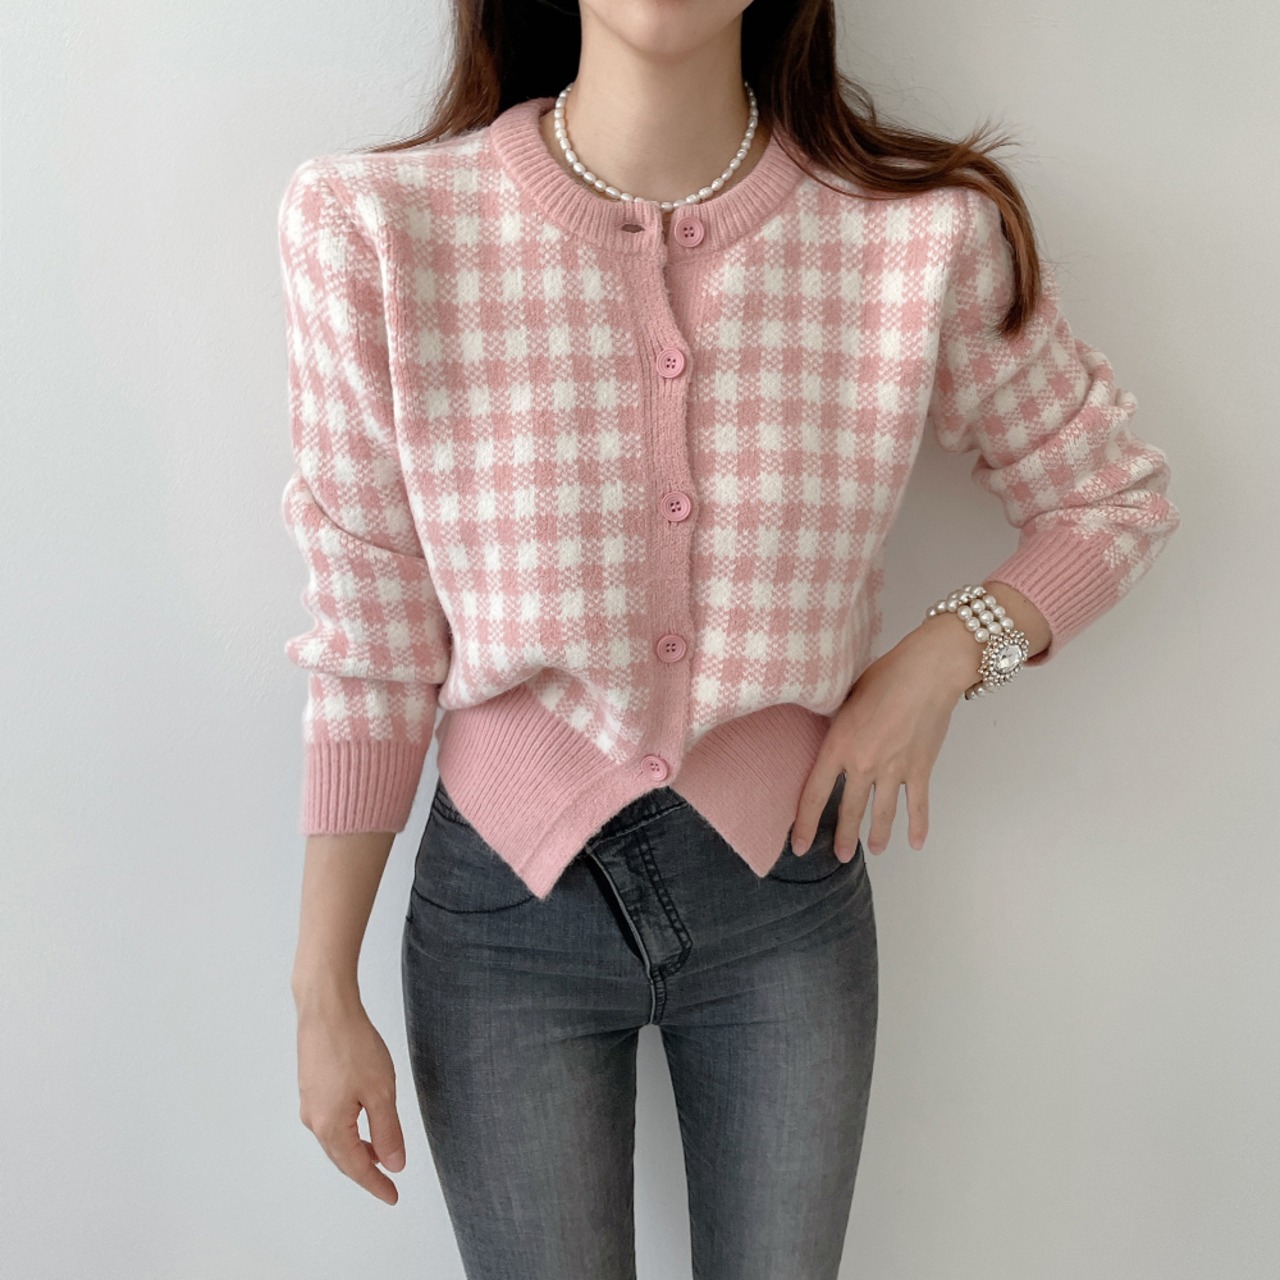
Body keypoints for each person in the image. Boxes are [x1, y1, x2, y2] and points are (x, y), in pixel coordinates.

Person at [276, 2, 1180, 1276]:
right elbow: (371, 626)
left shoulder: (914, 238)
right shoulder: (376, 228)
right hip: (499, 911)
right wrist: (323, 985)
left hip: (786, 896)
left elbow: (1109, 497)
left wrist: (940, 656)